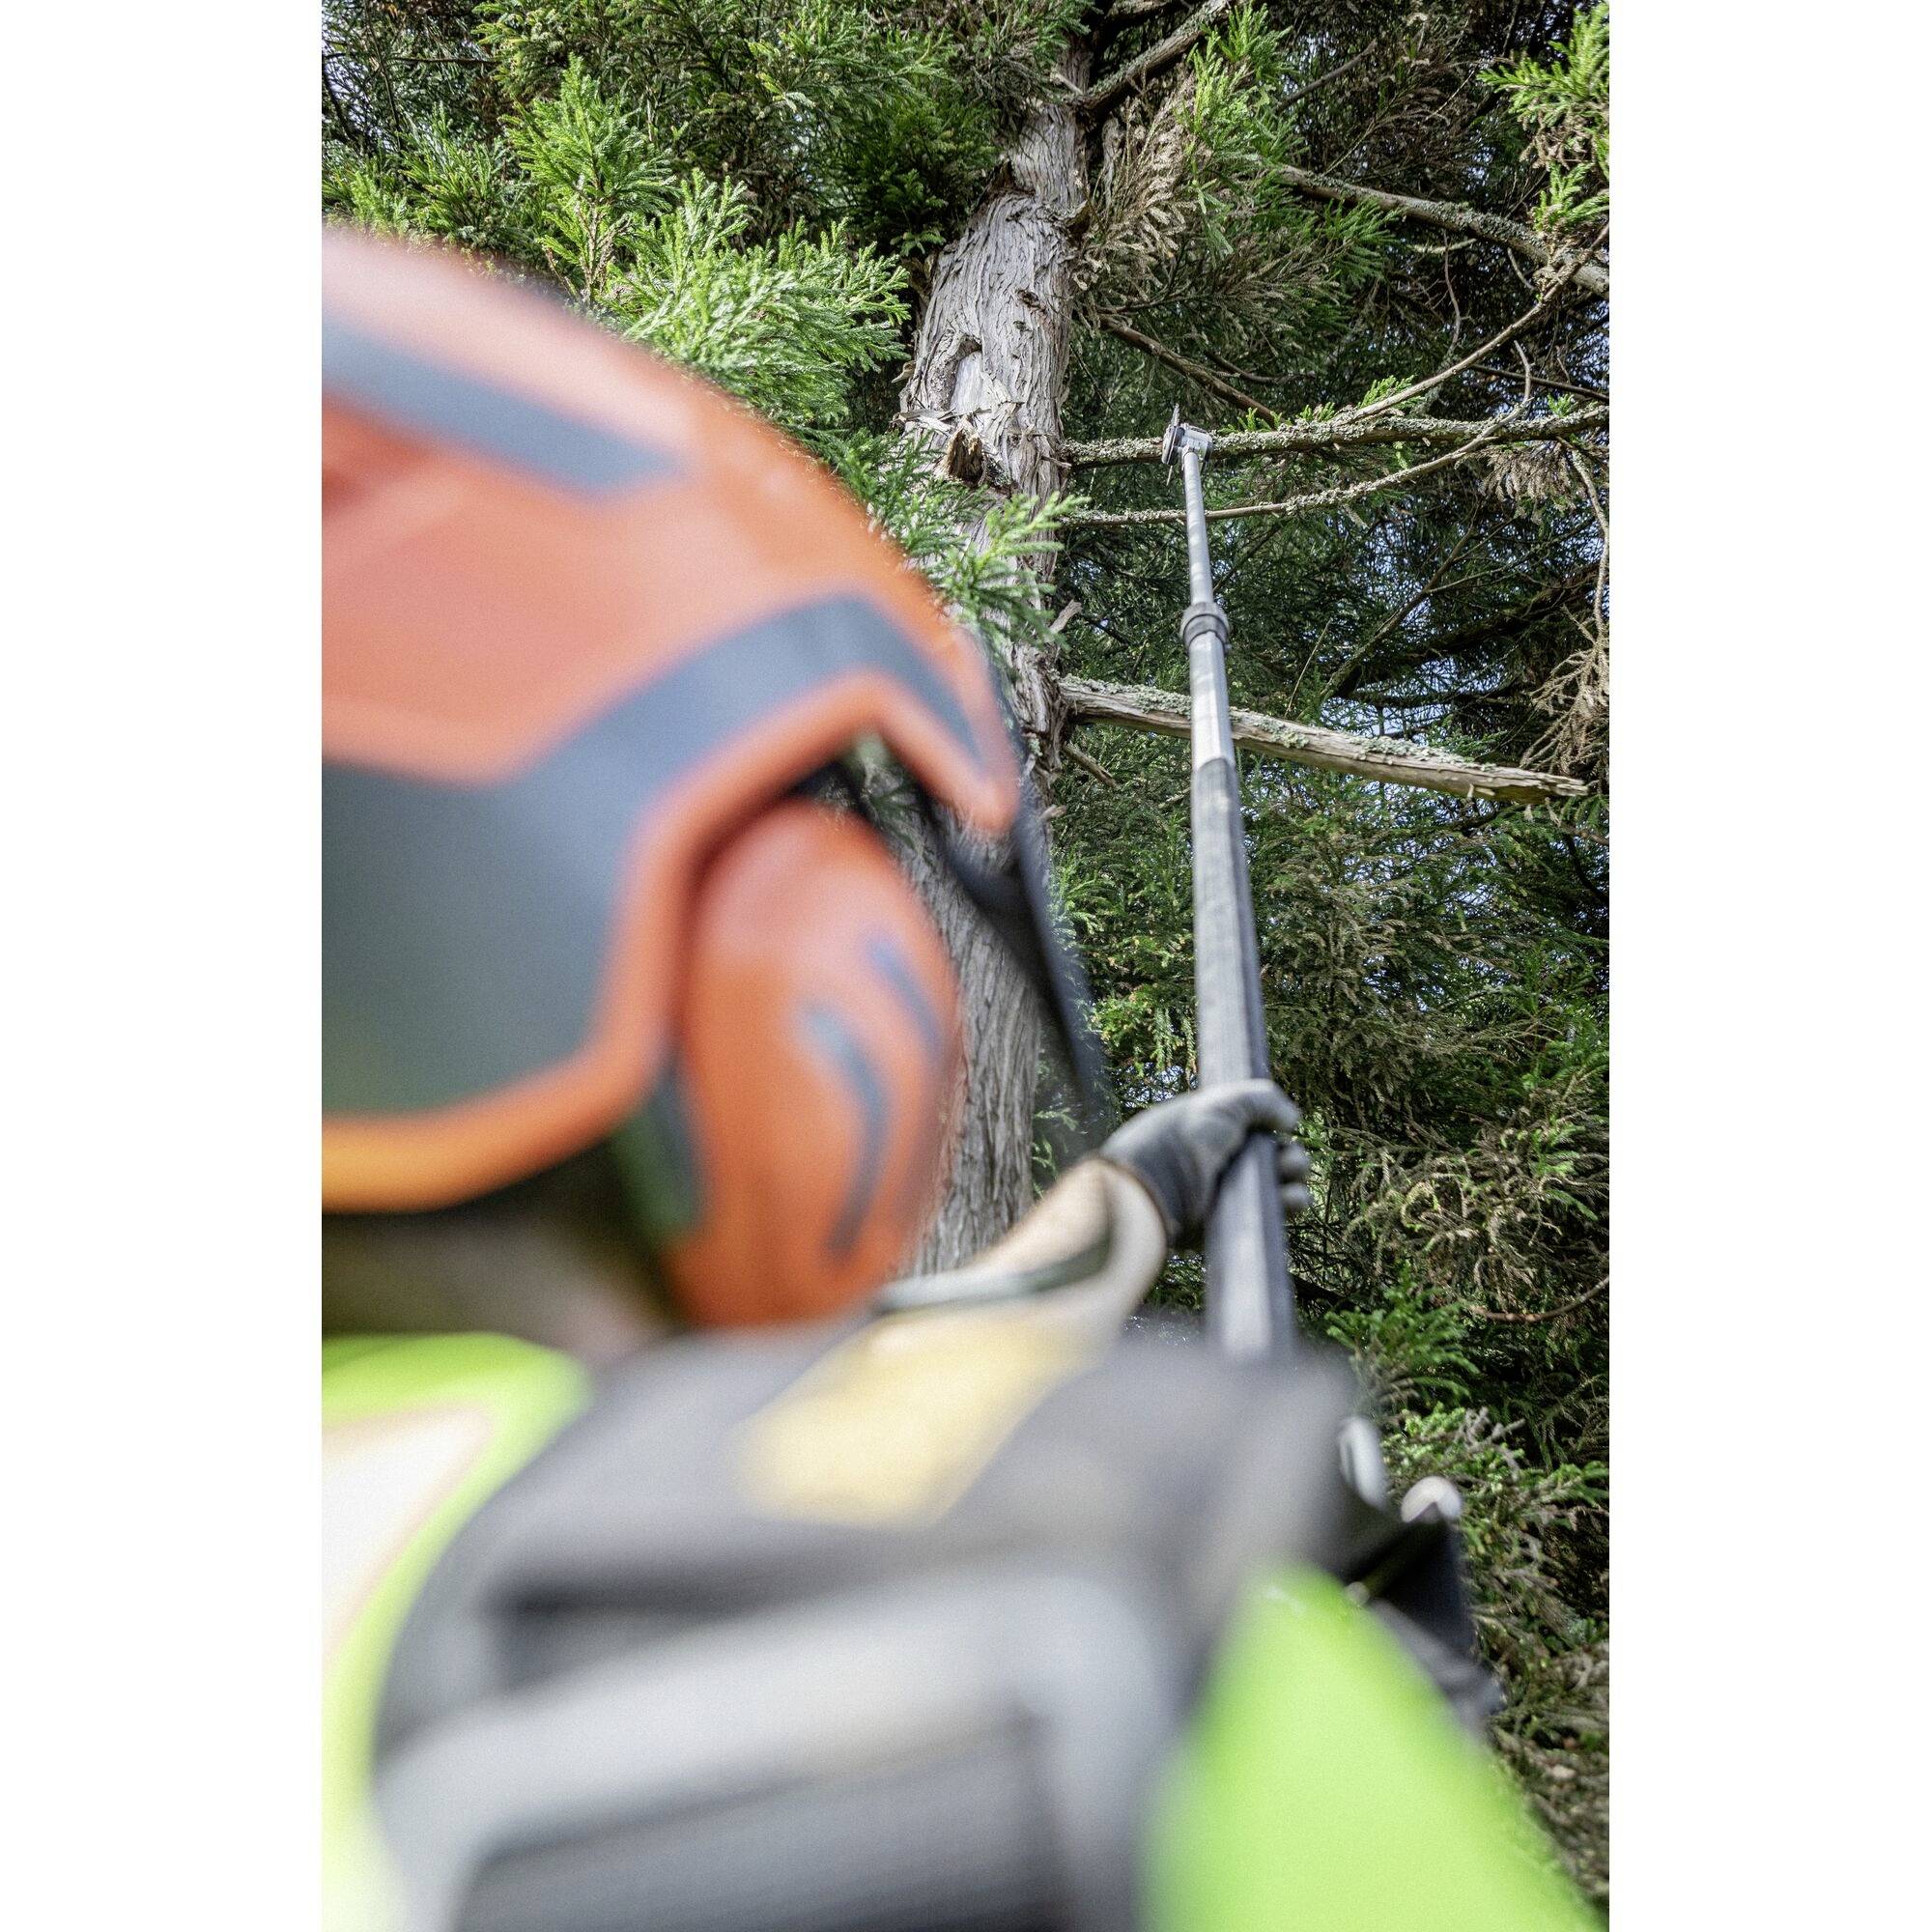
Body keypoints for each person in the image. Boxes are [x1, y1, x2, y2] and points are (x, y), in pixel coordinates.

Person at [323, 228, 1594, 1932]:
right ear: (804, 1021)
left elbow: (867, 1402)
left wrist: (1133, 1195)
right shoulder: (1066, 1671)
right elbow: (832, 1448)